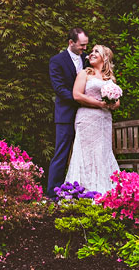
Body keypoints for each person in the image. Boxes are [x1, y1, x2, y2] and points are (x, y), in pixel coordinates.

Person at [64, 44, 120, 194]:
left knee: (102, 152)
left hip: (104, 121)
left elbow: (117, 101)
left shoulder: (110, 78)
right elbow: (77, 95)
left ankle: (104, 190)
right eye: (92, 51)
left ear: (105, 57)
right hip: (87, 119)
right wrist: (99, 104)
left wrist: (111, 104)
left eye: (97, 51)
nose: (92, 53)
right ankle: (82, 190)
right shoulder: (84, 74)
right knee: (85, 153)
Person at [46, 27, 89, 199]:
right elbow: (59, 88)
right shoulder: (57, 61)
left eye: (86, 45)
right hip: (66, 114)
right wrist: (79, 98)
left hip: (87, 115)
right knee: (62, 152)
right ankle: (52, 193)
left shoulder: (87, 59)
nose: (85, 49)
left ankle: (83, 190)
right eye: (81, 45)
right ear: (71, 43)